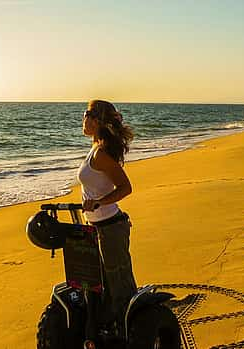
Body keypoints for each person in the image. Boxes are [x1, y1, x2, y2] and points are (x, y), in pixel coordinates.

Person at [77, 99, 137, 332]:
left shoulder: (101, 154)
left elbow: (125, 187)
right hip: (95, 227)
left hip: (110, 227)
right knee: (99, 284)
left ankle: (132, 333)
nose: (82, 119)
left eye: (85, 113)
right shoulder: (95, 149)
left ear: (96, 120)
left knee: (118, 285)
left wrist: (99, 202)